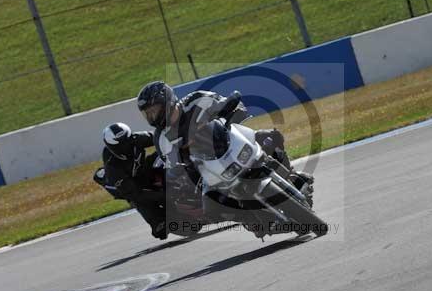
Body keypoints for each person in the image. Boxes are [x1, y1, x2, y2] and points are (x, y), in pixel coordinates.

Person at [135, 81, 314, 216]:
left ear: (167, 101)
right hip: (206, 169)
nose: (152, 116)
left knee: (271, 137)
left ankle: (290, 177)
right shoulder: (160, 138)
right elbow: (172, 164)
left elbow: (227, 104)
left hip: (229, 141)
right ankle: (250, 218)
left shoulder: (196, 100)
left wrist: (230, 108)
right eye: (147, 114)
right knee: (211, 207)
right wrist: (179, 169)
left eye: (154, 110)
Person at [96, 122, 169, 240]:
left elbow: (159, 137)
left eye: (128, 141)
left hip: (142, 170)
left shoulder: (135, 138)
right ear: (112, 147)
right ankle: (158, 219)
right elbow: (136, 194)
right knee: (160, 228)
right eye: (122, 145)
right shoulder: (112, 165)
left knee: (163, 154)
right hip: (130, 186)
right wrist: (165, 196)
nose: (127, 146)